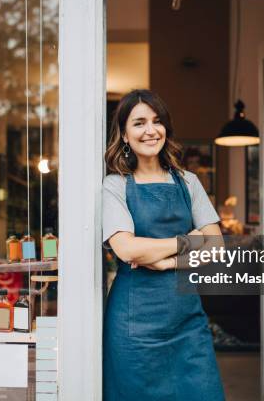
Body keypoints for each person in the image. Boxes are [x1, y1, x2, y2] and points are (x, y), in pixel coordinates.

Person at [102, 89, 225, 400]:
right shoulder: (114, 185)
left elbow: (216, 248)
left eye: (157, 121)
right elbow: (126, 249)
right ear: (125, 135)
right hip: (134, 325)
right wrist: (188, 240)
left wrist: (166, 261)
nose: (150, 130)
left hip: (187, 321)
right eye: (139, 123)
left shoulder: (188, 181)